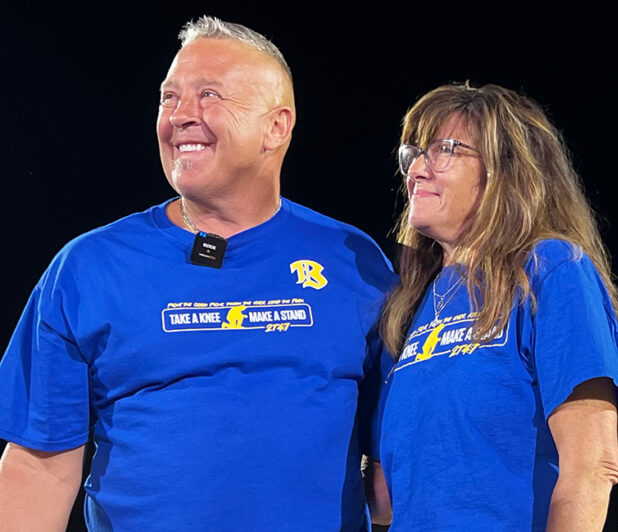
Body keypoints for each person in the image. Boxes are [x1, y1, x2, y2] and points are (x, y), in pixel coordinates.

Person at [0, 17, 393, 531]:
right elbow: (37, 466)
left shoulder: (353, 260)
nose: (181, 116)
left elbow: (395, 463)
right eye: (169, 98)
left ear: (277, 126)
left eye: (209, 95)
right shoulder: (88, 267)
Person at [371, 83, 618, 531]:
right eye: (413, 153)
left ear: (506, 170)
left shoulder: (551, 269)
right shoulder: (409, 306)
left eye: (444, 150)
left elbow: (593, 465)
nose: (416, 169)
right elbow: (388, 497)